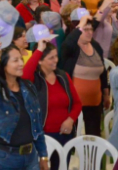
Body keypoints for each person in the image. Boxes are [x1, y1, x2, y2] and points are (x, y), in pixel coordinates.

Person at [0, 45, 49, 170]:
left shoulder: (28, 87)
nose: (21, 63)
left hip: (30, 158)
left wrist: (43, 155)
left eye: (21, 59)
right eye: (15, 60)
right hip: (2, 159)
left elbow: (36, 125)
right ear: (3, 65)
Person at [23, 35, 81, 168]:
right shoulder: (34, 79)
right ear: (39, 61)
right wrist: (39, 50)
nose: (56, 60)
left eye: (56, 56)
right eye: (51, 58)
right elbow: (24, 75)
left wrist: (70, 119)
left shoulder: (63, 76)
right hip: (42, 136)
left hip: (64, 134)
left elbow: (77, 103)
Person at [60, 15, 109, 137]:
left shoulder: (96, 46)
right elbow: (68, 42)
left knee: (93, 136)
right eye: (84, 29)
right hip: (73, 103)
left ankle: (90, 156)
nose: (89, 32)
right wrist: (81, 23)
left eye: (91, 29)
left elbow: (102, 72)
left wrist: (106, 93)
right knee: (71, 136)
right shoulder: (71, 47)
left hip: (94, 101)